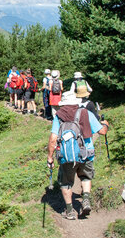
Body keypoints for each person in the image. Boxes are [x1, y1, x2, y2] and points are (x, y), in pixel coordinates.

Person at [46, 91, 109, 220]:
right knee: (86, 177)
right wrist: (105, 124)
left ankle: (69, 211)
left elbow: (53, 138)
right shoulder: (86, 113)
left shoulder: (59, 116)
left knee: (66, 183)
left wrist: (50, 157)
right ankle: (85, 199)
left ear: (63, 104)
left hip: (67, 155)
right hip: (86, 153)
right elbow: (102, 132)